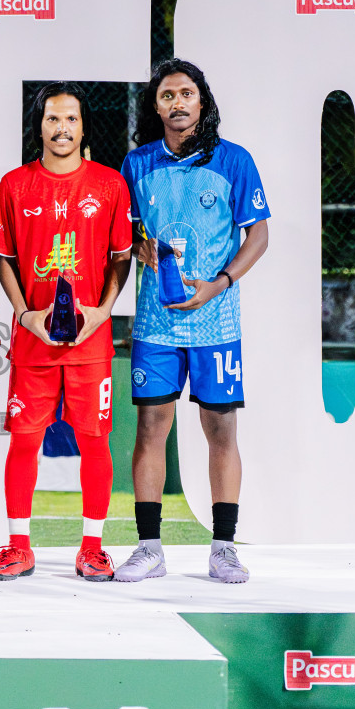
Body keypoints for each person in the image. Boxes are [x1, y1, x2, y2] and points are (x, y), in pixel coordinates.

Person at [114, 58, 270, 585]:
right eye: (166, 95)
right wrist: (142, 249)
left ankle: (223, 548)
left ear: (202, 101)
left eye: (186, 93)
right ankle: (149, 548)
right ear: (155, 106)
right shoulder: (137, 164)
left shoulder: (234, 160)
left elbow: (259, 236)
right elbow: (127, 236)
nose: (177, 103)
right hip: (157, 323)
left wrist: (219, 284)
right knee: (152, 428)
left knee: (220, 429)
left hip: (215, 323)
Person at [0, 82, 132, 582]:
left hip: (90, 341)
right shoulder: (14, 185)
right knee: (23, 441)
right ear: (40, 126)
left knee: (95, 441)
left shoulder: (110, 185)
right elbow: (2, 259)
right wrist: (26, 315)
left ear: (84, 126)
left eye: (71, 119)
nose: (62, 128)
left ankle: (92, 547)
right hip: (34, 340)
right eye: (53, 119)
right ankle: (17, 546)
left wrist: (101, 312)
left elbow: (121, 257)